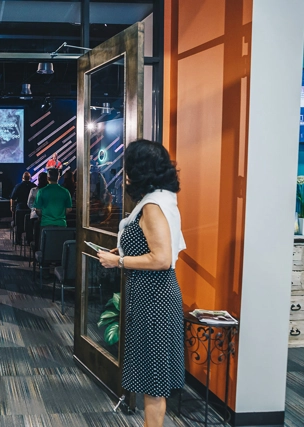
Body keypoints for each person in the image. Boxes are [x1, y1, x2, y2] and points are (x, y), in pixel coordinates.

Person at [97, 139, 186, 427]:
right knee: (153, 377)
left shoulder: (152, 206)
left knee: (153, 381)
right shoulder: (162, 197)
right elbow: (152, 245)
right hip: (154, 294)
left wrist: (118, 262)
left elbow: (161, 258)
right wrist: (123, 250)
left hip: (154, 297)